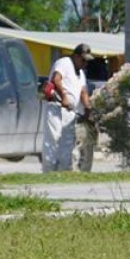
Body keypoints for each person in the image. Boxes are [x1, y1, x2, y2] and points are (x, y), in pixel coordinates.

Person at [42, 43, 93, 172]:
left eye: (87, 61)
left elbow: (83, 92)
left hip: (70, 112)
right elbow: (56, 79)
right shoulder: (64, 63)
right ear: (76, 56)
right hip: (56, 108)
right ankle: (49, 170)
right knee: (53, 139)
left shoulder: (81, 73)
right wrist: (64, 96)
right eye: (83, 60)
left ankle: (64, 170)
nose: (85, 63)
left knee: (67, 142)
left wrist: (87, 109)